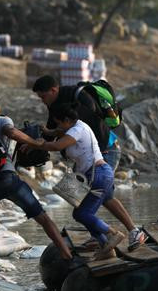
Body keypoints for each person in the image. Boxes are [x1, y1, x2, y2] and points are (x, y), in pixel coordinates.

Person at [32, 75, 146, 250]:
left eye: (43, 97)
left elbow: (80, 131)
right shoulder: (57, 107)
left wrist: (42, 142)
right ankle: (103, 235)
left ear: (53, 90)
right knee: (95, 198)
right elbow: (54, 133)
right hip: (91, 160)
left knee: (100, 199)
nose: (42, 101)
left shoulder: (77, 100)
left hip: (105, 150)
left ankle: (120, 233)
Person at [0, 95, 73, 280]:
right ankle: (67, 256)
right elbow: (12, 133)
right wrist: (34, 142)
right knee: (43, 218)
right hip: (7, 179)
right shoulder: (2, 120)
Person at [28, 103, 126, 260]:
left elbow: (57, 145)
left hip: (98, 174)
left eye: (59, 123)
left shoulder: (77, 130)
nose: (59, 127)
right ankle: (107, 249)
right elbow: (59, 131)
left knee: (81, 214)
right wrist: (47, 131)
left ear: (67, 120)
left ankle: (112, 234)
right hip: (97, 174)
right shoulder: (76, 126)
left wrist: (38, 144)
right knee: (87, 216)